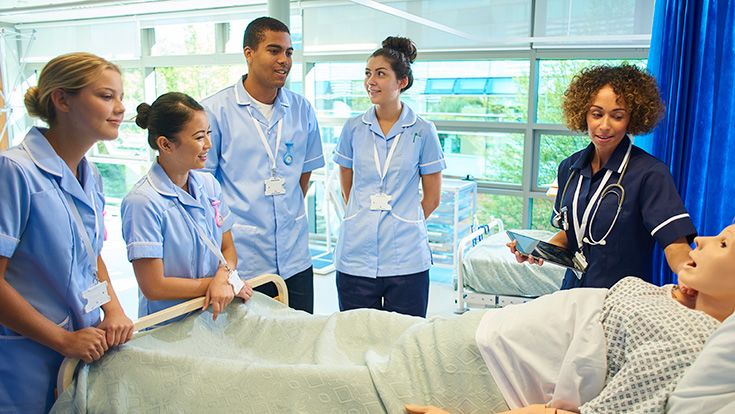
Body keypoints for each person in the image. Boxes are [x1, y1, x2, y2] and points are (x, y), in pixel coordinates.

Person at [56, 225, 735, 414]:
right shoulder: (670, 303)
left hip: (467, 375)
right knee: (322, 331)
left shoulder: (690, 344)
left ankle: (129, 377)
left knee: (285, 382)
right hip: (445, 339)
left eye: (722, 245)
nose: (701, 242)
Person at [0, 52, 134, 413]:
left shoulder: (91, 176)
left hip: (83, 345)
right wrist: (62, 339)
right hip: (27, 353)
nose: (120, 107)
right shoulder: (15, 171)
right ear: (62, 100)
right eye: (107, 97)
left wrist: (114, 310)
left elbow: (91, 257)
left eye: (120, 97)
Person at [509, 64, 696, 289]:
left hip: (622, 301)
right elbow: (570, 235)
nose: (604, 126)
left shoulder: (650, 174)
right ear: (584, 114)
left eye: (617, 116)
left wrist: (691, 277)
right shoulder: (569, 168)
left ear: (632, 119)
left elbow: (675, 244)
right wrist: (541, 251)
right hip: (573, 294)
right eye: (596, 114)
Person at [201, 17, 324, 313]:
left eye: (289, 52)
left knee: (302, 341)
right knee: (251, 351)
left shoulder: (301, 109)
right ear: (249, 53)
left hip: (296, 259)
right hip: (244, 262)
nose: (284, 60)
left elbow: (303, 175)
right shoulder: (215, 112)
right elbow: (205, 188)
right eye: (274, 50)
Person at [333, 36, 444, 317]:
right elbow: (348, 184)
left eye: (381, 74)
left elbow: (432, 198)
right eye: (368, 73)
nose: (371, 81)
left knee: (404, 342)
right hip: (355, 255)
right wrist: (361, 216)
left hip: (407, 259)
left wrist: (406, 222)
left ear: (401, 82)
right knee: (356, 340)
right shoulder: (353, 129)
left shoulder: (423, 131)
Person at [121, 92, 253, 321]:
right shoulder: (143, 202)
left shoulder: (208, 185)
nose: (209, 145)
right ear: (165, 144)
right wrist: (216, 284)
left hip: (211, 314)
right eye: (200, 137)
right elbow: (154, 286)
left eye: (209, 133)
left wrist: (224, 277)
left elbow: (227, 249)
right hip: (169, 325)